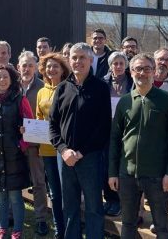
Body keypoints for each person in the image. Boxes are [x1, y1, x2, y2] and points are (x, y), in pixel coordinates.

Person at [109, 53, 168, 239]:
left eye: (147, 69)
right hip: (127, 174)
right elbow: (115, 139)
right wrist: (112, 172)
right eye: (138, 69)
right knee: (128, 223)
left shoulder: (166, 100)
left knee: (161, 225)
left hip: (157, 176)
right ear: (131, 71)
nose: (142, 73)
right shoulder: (125, 101)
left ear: (153, 71)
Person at [49, 42, 111, 239]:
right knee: (70, 207)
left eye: (82, 58)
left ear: (91, 60)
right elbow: (52, 125)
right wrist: (63, 150)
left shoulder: (101, 88)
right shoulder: (62, 88)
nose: (77, 62)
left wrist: (81, 152)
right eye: (74, 58)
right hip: (65, 158)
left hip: (90, 158)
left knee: (93, 207)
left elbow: (103, 127)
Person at [0, 65, 33, 239]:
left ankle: (17, 230)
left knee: (16, 197)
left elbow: (29, 124)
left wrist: (21, 145)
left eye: (5, 77)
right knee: (0, 196)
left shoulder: (19, 99)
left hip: (14, 156)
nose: (1, 80)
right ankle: (2, 228)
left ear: (11, 80)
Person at [37, 53, 71, 239]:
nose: (52, 70)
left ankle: (71, 226)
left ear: (62, 69)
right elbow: (39, 118)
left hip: (65, 149)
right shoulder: (42, 92)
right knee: (55, 193)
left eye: (55, 66)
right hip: (47, 149)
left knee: (67, 191)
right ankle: (59, 229)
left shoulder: (68, 88)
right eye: (48, 66)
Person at [17, 51, 49, 236]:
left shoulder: (43, 88)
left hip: (36, 143)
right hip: (15, 142)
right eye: (24, 65)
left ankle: (40, 219)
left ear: (36, 67)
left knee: (38, 182)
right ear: (18, 66)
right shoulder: (13, 86)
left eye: (30, 65)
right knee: (15, 179)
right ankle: (15, 214)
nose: (27, 68)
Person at [100, 51, 131, 217]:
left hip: (126, 129)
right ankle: (109, 199)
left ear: (125, 65)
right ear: (110, 65)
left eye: (121, 63)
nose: (118, 66)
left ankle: (120, 201)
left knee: (121, 165)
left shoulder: (132, 81)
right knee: (107, 165)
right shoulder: (103, 82)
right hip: (107, 130)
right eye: (115, 63)